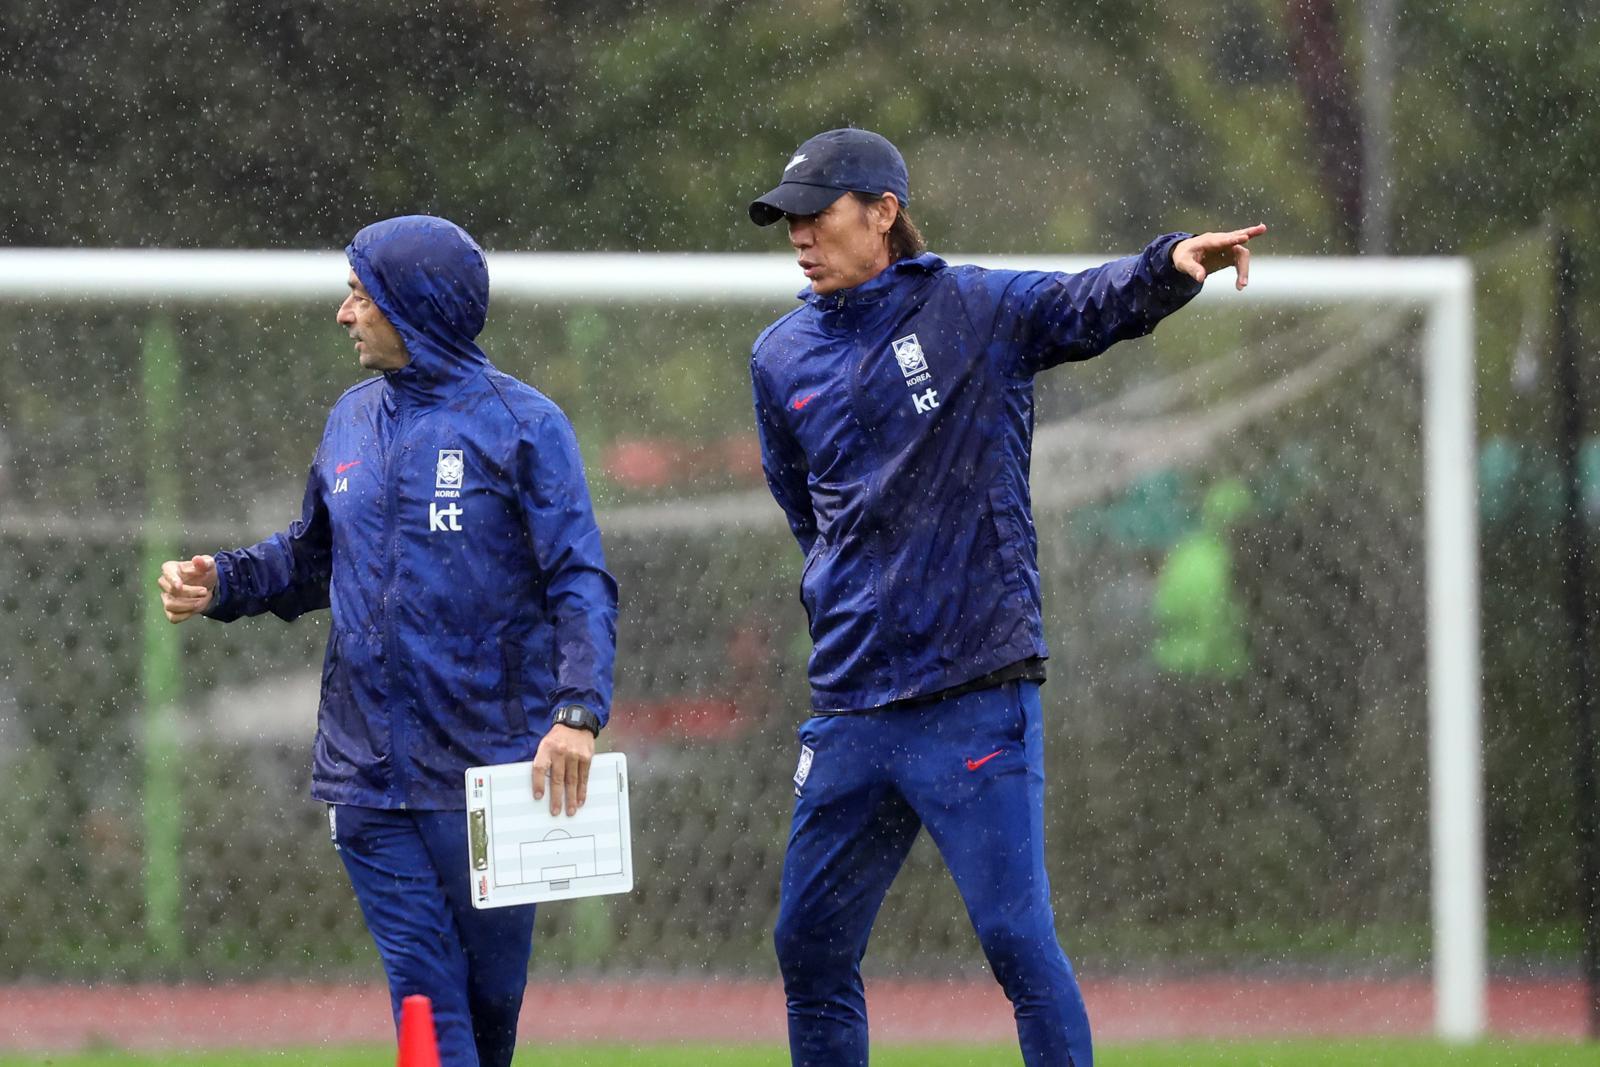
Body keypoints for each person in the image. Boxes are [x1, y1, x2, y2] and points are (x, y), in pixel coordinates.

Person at [746, 127, 1265, 1067]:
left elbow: (1082, 304)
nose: (798, 236)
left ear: (883, 213)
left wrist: (1168, 267)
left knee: (1018, 945)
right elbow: (806, 511)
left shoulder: (972, 308)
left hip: (975, 689)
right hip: (853, 703)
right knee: (807, 946)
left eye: (816, 215)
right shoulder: (779, 355)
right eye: (787, 220)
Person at [155, 215, 617, 1067]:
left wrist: (579, 710)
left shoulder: (525, 426)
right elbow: (309, 559)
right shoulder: (350, 419)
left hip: (497, 775)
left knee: (487, 1018)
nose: (344, 313)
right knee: (423, 994)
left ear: (418, 307)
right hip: (368, 778)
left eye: (361, 294)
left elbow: (578, 580)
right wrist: (223, 580)